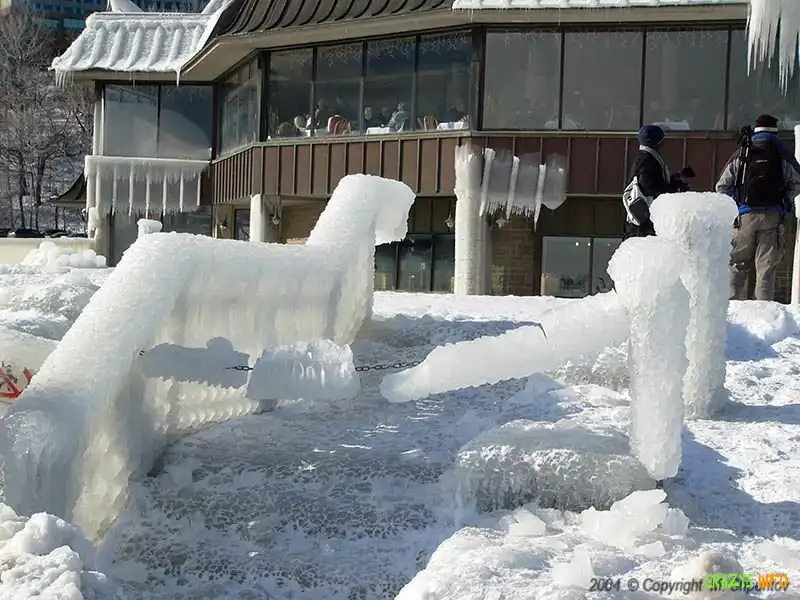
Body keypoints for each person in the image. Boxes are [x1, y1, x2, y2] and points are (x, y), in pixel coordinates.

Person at [716, 114, 800, 301]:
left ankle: (733, 307)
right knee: (766, 268)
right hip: (772, 216)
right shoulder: (781, 151)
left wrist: (736, 206)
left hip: (744, 216)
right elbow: (797, 182)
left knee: (738, 265)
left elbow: (721, 186)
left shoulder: (743, 151)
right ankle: (763, 309)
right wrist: (785, 202)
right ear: (775, 131)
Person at [622, 124, 693, 238]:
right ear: (657, 142)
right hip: (644, 221)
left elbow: (651, 182)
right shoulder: (647, 159)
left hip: (643, 218)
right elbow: (648, 186)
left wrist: (675, 179)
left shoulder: (645, 156)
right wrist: (673, 188)